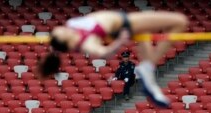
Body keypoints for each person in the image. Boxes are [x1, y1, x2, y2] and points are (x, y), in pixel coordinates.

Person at [37, 10, 188, 107]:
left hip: (124, 20)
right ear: (67, 42)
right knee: (180, 21)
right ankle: (148, 69)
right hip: (126, 23)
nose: (61, 28)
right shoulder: (86, 43)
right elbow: (104, 53)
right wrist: (119, 42)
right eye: (61, 32)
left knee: (146, 35)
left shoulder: (64, 33)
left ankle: (148, 74)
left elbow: (56, 44)